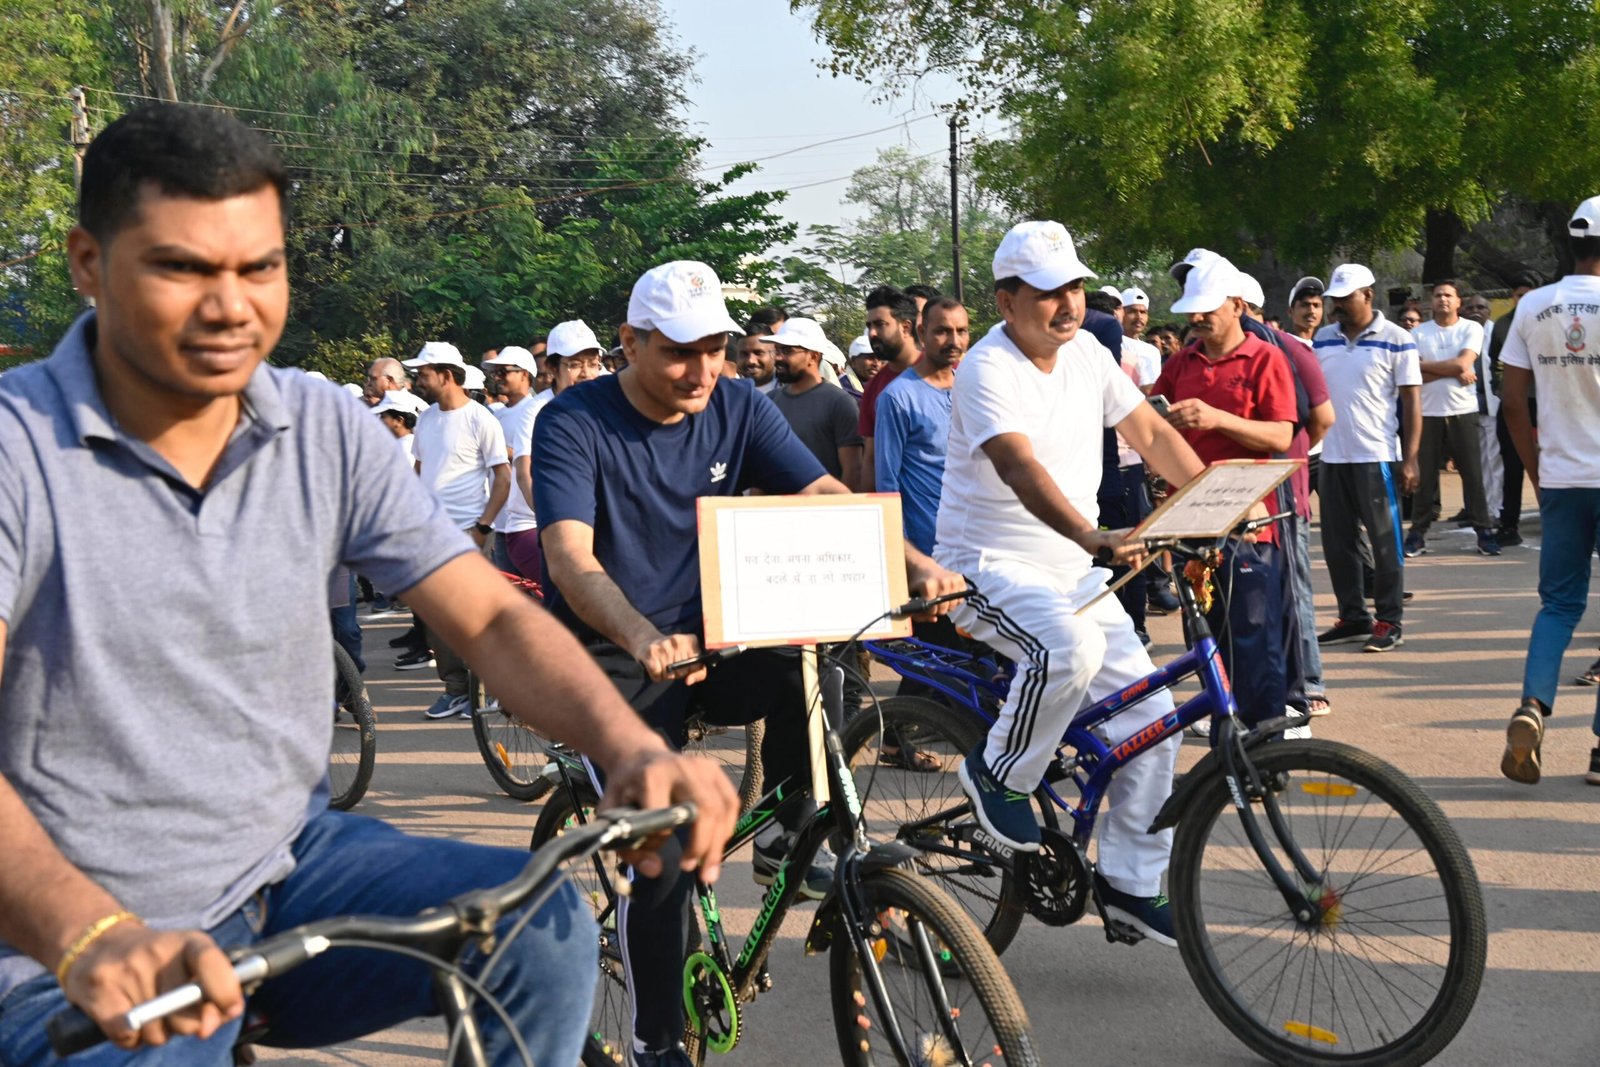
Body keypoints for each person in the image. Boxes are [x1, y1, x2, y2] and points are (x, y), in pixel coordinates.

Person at [0, 103, 738, 1067]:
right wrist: (88, 933)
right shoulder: (19, 448)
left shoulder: (320, 426)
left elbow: (484, 613)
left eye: (259, 267)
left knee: (542, 926)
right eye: (182, 266)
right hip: (64, 937)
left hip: (288, 868)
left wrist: (628, 743)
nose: (230, 304)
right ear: (89, 264)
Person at [533, 260, 963, 1066]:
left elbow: (821, 492)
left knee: (820, 670)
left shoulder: (734, 403)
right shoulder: (573, 422)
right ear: (628, 343)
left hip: (715, 636)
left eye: (718, 348)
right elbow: (567, 554)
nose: (701, 370)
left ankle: (793, 831)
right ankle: (655, 1038)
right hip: (613, 656)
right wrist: (637, 635)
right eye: (677, 351)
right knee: (659, 843)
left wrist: (912, 562)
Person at [936, 221, 1207, 947]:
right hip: (986, 564)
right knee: (1063, 650)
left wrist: (1214, 501)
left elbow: (1150, 433)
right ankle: (999, 775)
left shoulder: (1087, 350)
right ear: (1007, 299)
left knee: (1155, 723)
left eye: (1076, 287)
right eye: (1050, 292)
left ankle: (1128, 882)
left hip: (1070, 568)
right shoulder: (986, 368)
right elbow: (1019, 467)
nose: (1068, 304)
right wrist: (1090, 534)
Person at [1154, 258, 1305, 736]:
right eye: (1191, 312)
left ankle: (1268, 744)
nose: (1196, 320)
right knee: (1205, 635)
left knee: (1255, 639)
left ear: (1238, 306)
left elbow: (1281, 434)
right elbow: (1152, 425)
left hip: (1247, 521)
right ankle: (1227, 737)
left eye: (1206, 310)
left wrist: (1216, 419)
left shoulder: (1266, 358)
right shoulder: (1180, 362)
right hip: (1192, 522)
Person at [1498, 195, 1600, 787]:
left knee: (1560, 605)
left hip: (1561, 479)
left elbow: (1513, 403)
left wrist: (1538, 471)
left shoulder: (1534, 307)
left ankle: (1534, 705)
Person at [1312, 263, 1421, 653]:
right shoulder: (1322, 339)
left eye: (1345, 298)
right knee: (1337, 542)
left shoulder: (1396, 338)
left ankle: (1389, 619)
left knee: (1384, 542)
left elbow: (1411, 400)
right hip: (1332, 454)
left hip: (1377, 455)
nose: (1337, 305)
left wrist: (1410, 458)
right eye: (1334, 299)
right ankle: (1353, 616)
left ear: (1368, 295)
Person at [404, 342, 511, 717]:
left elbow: (503, 476)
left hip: (469, 533)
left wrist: (482, 527)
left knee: (475, 616)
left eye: (423, 374)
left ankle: (492, 687)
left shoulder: (481, 419)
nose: (418, 380)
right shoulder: (428, 419)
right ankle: (456, 689)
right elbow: (420, 472)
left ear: (446, 375)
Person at [1406, 280, 1496, 557]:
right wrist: (1453, 371)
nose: (1443, 299)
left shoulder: (1471, 328)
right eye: (1437, 295)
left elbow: (1463, 363)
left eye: (1448, 295)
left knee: (1472, 475)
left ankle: (1484, 532)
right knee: (1425, 477)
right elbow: (1412, 373)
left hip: (1463, 411)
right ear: (1430, 302)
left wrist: (1450, 368)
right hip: (1428, 412)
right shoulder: (1418, 334)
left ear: (1459, 302)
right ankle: (1417, 534)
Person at [766, 317, 863, 485]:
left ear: (813, 356)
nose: (779, 358)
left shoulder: (840, 403)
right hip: (777, 509)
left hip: (823, 509)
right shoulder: (770, 402)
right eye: (777, 350)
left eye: (787, 351)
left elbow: (853, 470)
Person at [1488, 272, 1544, 545]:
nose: (1524, 299)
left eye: (1529, 294)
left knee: (1550, 461)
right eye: (1519, 295)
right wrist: (1501, 386)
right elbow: (1493, 364)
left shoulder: (1548, 321)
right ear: (1513, 297)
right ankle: (1509, 524)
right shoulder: (1502, 326)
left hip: (1544, 402)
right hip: (1514, 402)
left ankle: (1553, 517)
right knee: (1511, 465)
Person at [482, 345, 544, 578]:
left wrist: (500, 451)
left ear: (524, 374)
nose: (498, 378)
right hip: (502, 523)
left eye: (504, 372)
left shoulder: (537, 410)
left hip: (529, 523)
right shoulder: (497, 415)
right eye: (495, 373)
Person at [853, 285, 921, 491]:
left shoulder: (943, 375)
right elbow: (871, 459)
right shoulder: (874, 388)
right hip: (895, 510)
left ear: (906, 327)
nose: (872, 333)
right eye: (869, 325)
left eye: (880, 324)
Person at [735, 327, 778, 394]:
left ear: (775, 353)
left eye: (758, 353)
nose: (750, 361)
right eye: (744, 354)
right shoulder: (729, 394)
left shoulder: (791, 390)